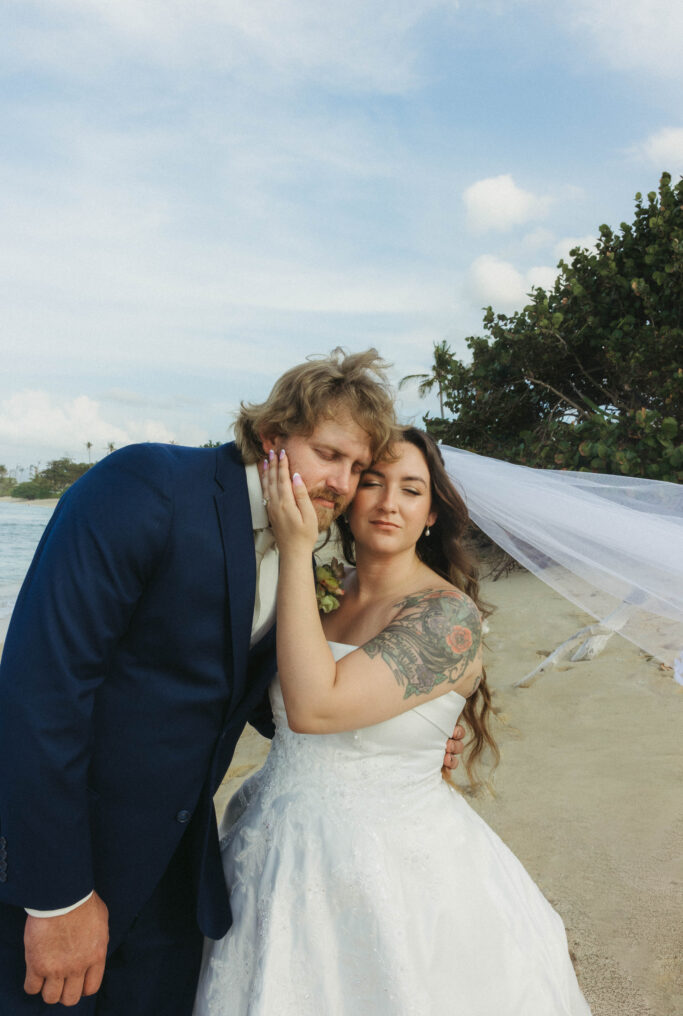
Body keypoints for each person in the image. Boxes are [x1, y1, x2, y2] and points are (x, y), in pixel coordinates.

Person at [0, 350, 463, 1015]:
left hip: (177, 878)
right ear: (272, 435)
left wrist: (400, 732)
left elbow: (244, 690)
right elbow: (39, 694)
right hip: (65, 864)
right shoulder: (146, 488)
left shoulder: (302, 547)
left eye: (357, 467)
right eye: (328, 454)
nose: (341, 483)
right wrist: (56, 897)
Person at [194, 427, 592, 1015]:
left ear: (431, 514)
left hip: (391, 866)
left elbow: (314, 708)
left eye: (411, 489)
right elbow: (260, 695)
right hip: (271, 845)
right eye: (373, 483)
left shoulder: (447, 618)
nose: (387, 503)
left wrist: (297, 549)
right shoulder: (324, 590)